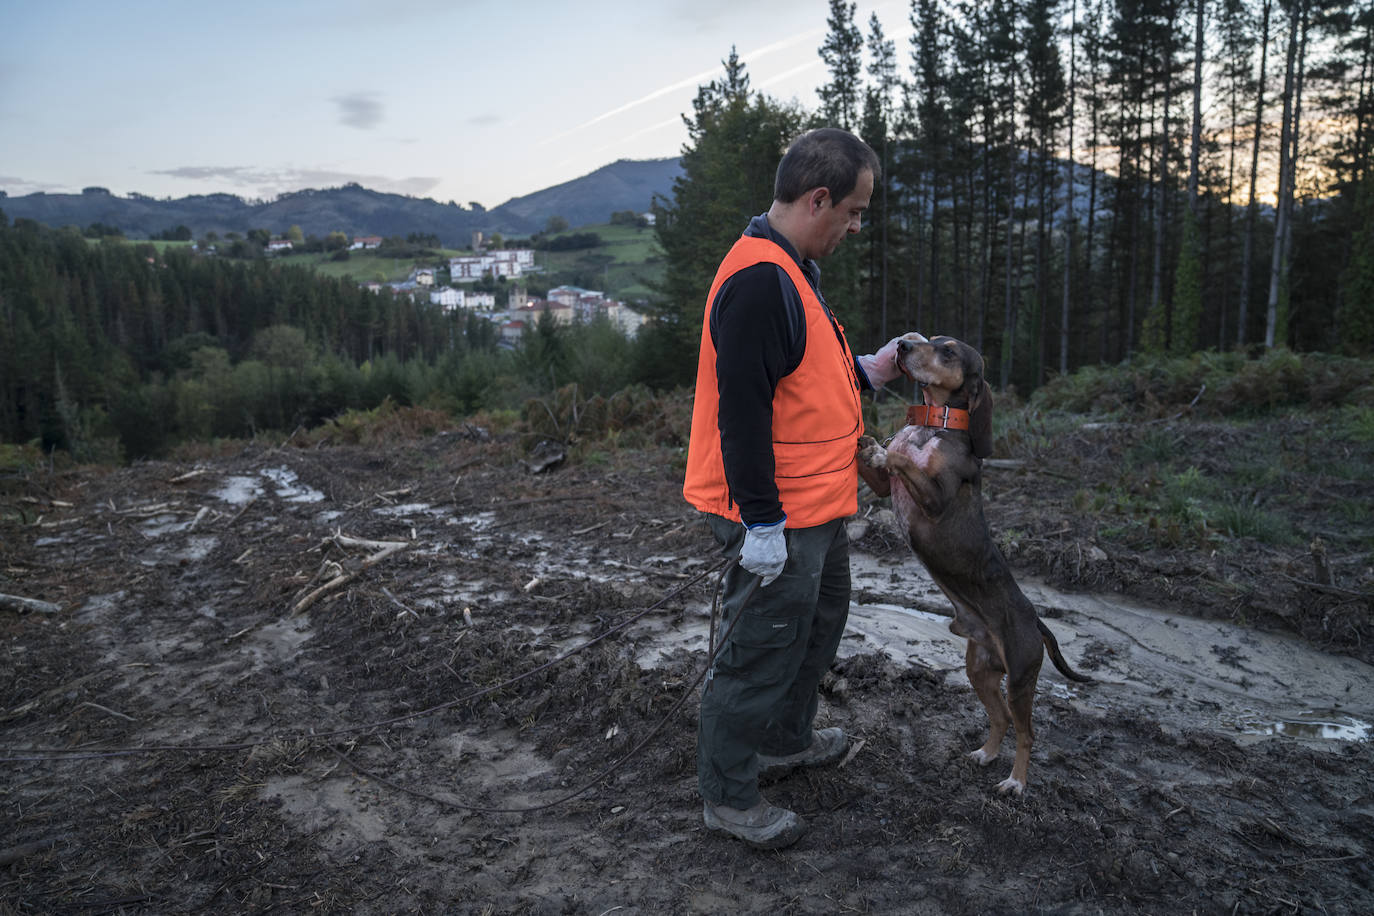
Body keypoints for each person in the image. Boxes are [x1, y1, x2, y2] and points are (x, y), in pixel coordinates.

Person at [682, 127, 907, 848]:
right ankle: (728, 795)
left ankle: (784, 738)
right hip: (773, 513)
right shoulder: (757, 282)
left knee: (818, 618)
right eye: (854, 211)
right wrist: (761, 525)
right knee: (760, 646)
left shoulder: (791, 267)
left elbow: (803, 381)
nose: (856, 225)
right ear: (819, 199)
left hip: (817, 505)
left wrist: (872, 368)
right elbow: (741, 416)